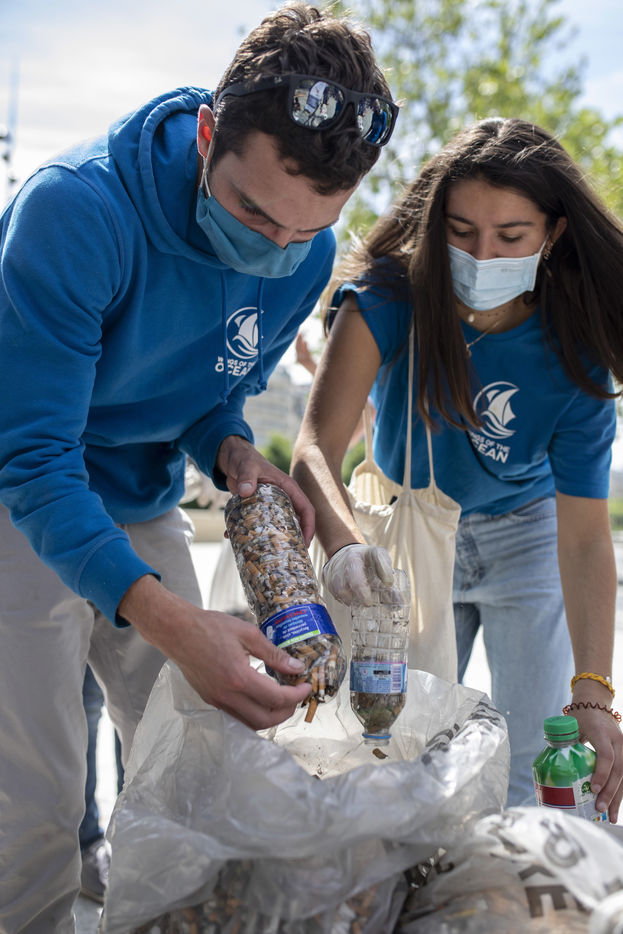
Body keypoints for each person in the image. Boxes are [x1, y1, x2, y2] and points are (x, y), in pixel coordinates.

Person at [0, 3, 398, 928]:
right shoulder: (75, 210)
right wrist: (171, 621)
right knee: (37, 793)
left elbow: (211, 387)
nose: (273, 248)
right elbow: (34, 456)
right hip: (22, 498)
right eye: (253, 212)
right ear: (209, 134)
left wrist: (229, 446)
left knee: (191, 761)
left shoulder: (304, 250)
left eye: (305, 230)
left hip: (140, 494)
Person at [291, 117, 623, 819]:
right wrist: (346, 549)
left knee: (535, 765)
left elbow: (585, 538)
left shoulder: (577, 348)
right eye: (461, 231)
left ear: (554, 233)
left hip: (525, 538)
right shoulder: (389, 296)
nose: (481, 255)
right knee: (394, 753)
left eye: (511, 236)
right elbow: (315, 447)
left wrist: (594, 693)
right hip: (399, 542)